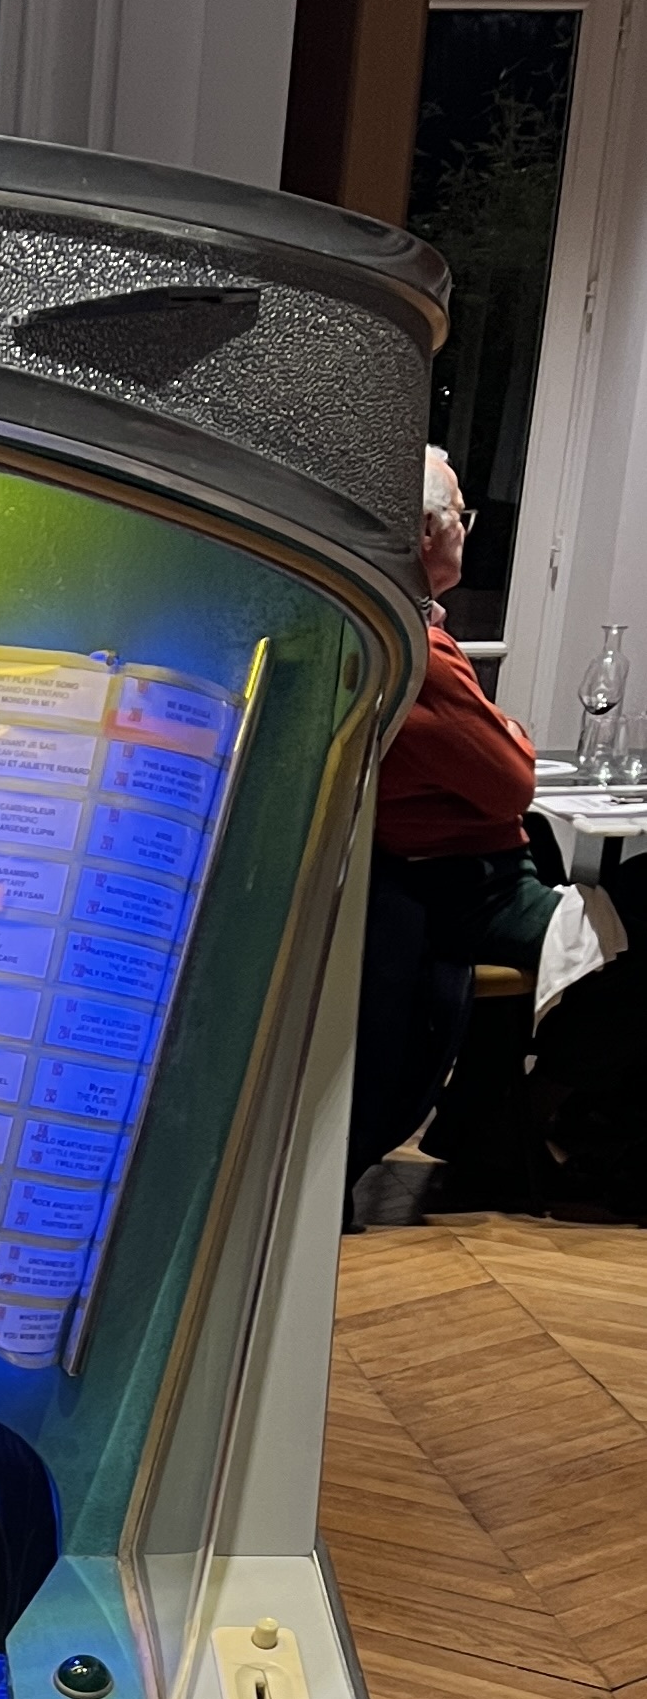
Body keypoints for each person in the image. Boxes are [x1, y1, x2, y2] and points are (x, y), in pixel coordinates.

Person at [348, 448, 559, 1210]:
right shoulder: (420, 653)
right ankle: (560, 1135)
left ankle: (482, 1128)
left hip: (429, 878)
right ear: (428, 533)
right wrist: (511, 733)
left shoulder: (398, 624)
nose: (470, 529)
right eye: (463, 516)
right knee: (625, 935)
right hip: (462, 888)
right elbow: (512, 781)